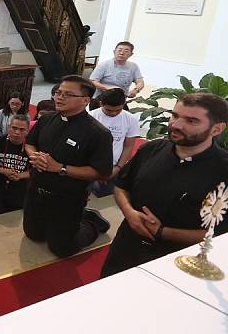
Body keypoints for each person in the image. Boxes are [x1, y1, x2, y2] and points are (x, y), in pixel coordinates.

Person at [100, 93, 228, 277]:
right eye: (175, 115)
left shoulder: (223, 171)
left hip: (180, 260)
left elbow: (221, 233)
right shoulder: (151, 149)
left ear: (216, 129)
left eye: (192, 121)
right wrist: (130, 213)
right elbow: (121, 186)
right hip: (126, 244)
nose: (176, 125)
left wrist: (163, 232)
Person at [23, 75, 114, 258]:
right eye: (58, 92)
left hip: (67, 197)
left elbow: (101, 172)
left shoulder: (98, 133)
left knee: (62, 248)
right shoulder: (47, 119)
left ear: (85, 101)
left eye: (67, 94)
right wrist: (35, 157)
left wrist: (60, 168)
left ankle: (92, 222)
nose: (59, 97)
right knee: (34, 236)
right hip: (36, 190)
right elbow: (29, 143)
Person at [87, 88, 141, 197]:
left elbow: (128, 146)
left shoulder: (130, 120)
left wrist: (118, 168)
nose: (113, 113)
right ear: (101, 103)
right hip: (90, 165)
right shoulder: (91, 117)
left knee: (105, 193)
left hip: (114, 166)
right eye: (109, 110)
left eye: (118, 110)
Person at [0, 114, 31, 217]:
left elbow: (37, 170)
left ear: (27, 130)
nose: (17, 132)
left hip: (18, 192)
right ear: (9, 127)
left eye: (22, 129)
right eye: (14, 128)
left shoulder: (32, 147)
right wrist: (4, 171)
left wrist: (20, 175)